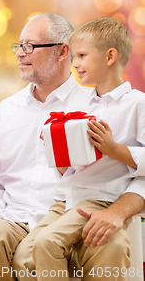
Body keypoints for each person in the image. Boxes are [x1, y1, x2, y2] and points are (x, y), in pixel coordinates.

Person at [0, 13, 145, 281]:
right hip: (20, 217)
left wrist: (117, 211)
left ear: (62, 52)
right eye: (19, 46)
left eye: (29, 46)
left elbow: (123, 169)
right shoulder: (6, 110)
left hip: (81, 209)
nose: (20, 54)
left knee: (110, 245)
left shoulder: (94, 102)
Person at [24, 17, 145, 281]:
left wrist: (114, 148)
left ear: (110, 56)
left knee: (46, 244)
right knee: (25, 257)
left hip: (100, 198)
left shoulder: (137, 104)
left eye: (81, 55)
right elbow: (72, 169)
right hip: (67, 198)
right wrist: (59, 151)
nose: (74, 63)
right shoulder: (80, 105)